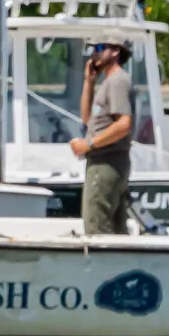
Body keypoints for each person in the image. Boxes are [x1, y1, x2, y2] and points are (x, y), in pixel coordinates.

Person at [71, 37, 141, 235]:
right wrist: (89, 81)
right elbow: (86, 118)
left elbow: (123, 124)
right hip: (105, 163)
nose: (94, 53)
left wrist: (89, 144)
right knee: (115, 230)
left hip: (106, 164)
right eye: (93, 48)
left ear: (115, 52)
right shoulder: (108, 82)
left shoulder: (118, 81)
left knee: (96, 229)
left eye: (100, 48)